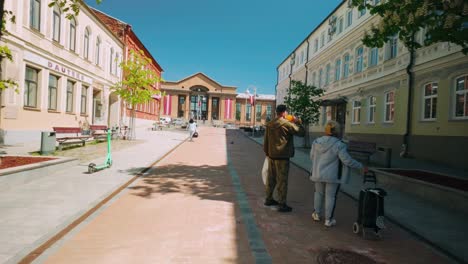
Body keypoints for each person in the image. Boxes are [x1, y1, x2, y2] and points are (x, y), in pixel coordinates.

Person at [309, 120, 368, 227]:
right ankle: (328, 220)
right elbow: (347, 160)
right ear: (337, 131)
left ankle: (316, 214)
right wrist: (361, 166)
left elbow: (312, 156)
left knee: (318, 193)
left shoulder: (316, 142)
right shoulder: (339, 145)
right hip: (333, 175)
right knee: (330, 197)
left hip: (317, 173)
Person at [263, 104, 305, 212]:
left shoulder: (269, 124)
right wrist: (297, 121)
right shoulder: (287, 124)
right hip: (283, 157)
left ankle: (268, 199)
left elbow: (266, 141)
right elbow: (301, 133)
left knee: (271, 179)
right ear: (284, 113)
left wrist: (267, 153)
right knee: (282, 180)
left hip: (271, 155)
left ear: (277, 112)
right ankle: (282, 204)